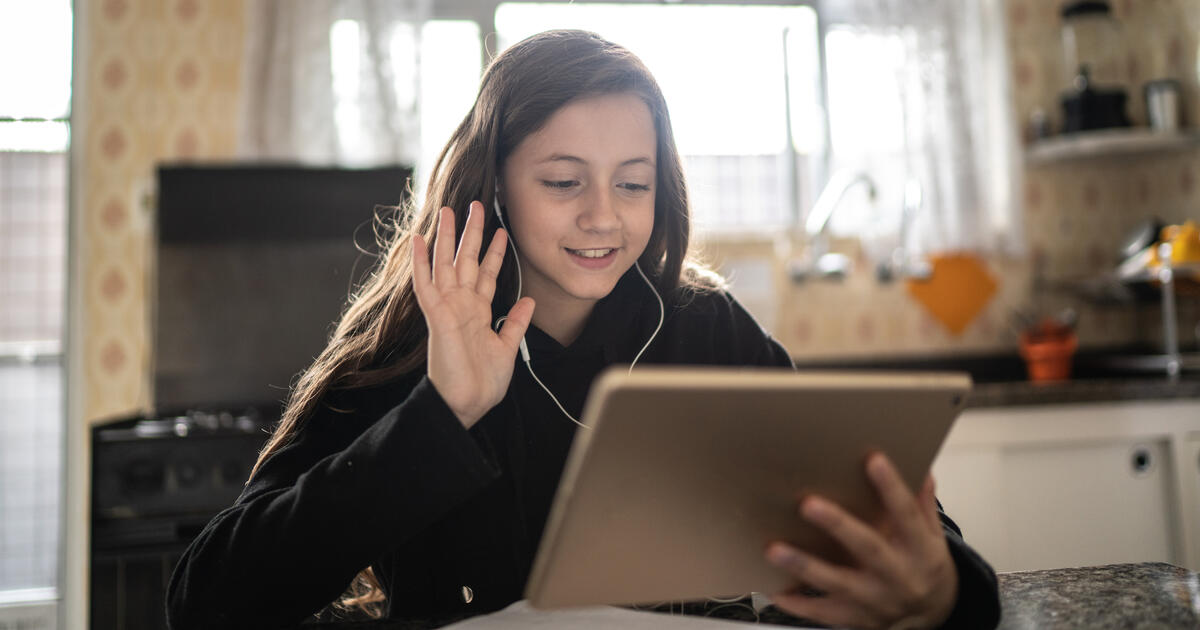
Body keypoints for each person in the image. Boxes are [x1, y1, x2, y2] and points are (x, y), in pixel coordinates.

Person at [165, 29, 1000, 630]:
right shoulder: (415, 344)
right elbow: (207, 598)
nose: (603, 216)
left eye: (632, 185)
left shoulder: (704, 331)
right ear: (494, 184)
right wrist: (444, 411)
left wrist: (945, 593)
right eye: (565, 180)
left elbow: (901, 537)